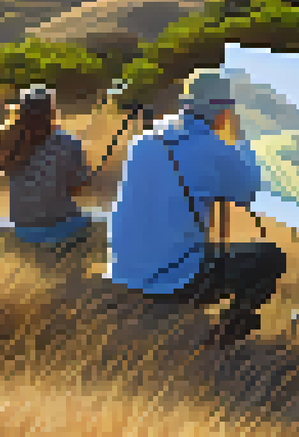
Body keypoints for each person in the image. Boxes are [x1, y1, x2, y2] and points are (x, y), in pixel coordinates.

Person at [107, 69, 287, 348]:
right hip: (171, 277)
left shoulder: (144, 139)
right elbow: (249, 191)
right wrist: (243, 139)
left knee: (194, 244)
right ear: (225, 110)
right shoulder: (212, 147)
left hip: (124, 269)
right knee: (269, 259)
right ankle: (225, 337)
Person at [0, 84, 96, 247]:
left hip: (21, 229)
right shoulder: (68, 142)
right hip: (60, 228)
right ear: (51, 111)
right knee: (104, 222)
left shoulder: (9, 142)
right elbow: (77, 188)